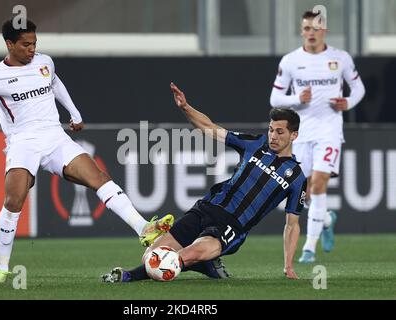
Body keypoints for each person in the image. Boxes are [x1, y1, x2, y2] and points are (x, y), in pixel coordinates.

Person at [0, 18, 173, 284]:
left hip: (55, 137)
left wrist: (74, 112)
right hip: (23, 142)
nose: (32, 49)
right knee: (14, 200)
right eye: (25, 44)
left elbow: (55, 83)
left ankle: (143, 228)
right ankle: (1, 268)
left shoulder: (45, 62)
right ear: (9, 44)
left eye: (34, 43)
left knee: (98, 177)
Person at [102, 82, 307, 283]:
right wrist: (185, 107)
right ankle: (204, 264)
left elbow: (292, 224)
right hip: (207, 207)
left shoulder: (296, 177)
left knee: (185, 254)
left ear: (294, 135)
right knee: (151, 254)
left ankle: (129, 276)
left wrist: (288, 265)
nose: (273, 136)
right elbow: (209, 128)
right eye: (271, 129)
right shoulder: (255, 144)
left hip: (231, 225)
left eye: (280, 132)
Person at [270, 11, 365, 263]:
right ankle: (325, 219)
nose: (310, 32)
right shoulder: (291, 61)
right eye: (306, 28)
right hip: (302, 133)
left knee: (319, 183)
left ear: (324, 30)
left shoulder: (340, 58)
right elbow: (275, 98)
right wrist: (296, 100)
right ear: (301, 31)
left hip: (330, 130)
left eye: (315, 28)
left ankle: (309, 249)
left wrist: (348, 102)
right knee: (306, 190)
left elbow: (358, 88)